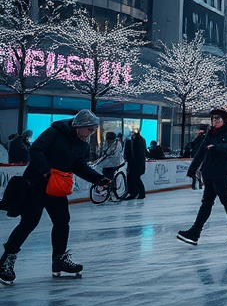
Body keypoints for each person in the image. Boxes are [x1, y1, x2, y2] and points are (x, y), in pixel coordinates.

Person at [0, 110, 109, 284]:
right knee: (29, 222)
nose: (92, 133)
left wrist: (97, 178)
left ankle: (59, 259)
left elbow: (78, 164)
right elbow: (36, 150)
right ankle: (7, 260)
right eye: (90, 129)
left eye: (94, 129)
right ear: (79, 127)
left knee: (62, 220)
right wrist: (45, 171)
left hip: (56, 186)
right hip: (35, 184)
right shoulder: (55, 132)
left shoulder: (82, 143)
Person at [176, 109, 227, 246]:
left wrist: (217, 146)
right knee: (207, 202)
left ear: (224, 120)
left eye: (218, 119)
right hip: (209, 172)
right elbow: (202, 151)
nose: (215, 121)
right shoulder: (210, 133)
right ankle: (195, 233)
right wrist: (192, 169)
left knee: (226, 200)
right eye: (213, 119)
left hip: (221, 172)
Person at [123, 129, 147, 200]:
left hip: (137, 163)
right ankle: (134, 193)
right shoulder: (133, 140)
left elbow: (138, 152)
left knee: (136, 178)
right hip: (134, 163)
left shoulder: (138, 140)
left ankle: (139, 193)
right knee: (131, 178)